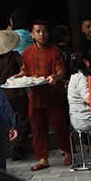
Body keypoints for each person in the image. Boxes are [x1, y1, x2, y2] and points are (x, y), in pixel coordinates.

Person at [19, 20, 74, 171]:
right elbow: (25, 71)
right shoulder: (27, 52)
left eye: (44, 31)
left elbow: (62, 72)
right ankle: (43, 158)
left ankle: (68, 151)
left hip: (53, 94)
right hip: (35, 96)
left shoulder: (55, 51)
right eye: (38, 31)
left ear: (48, 33)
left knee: (59, 125)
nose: (41, 34)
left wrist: (54, 77)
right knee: (37, 127)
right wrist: (17, 77)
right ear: (32, 34)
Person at [0, 29, 29, 159]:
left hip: (0, 94)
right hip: (16, 91)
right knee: (24, 119)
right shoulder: (14, 55)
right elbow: (25, 66)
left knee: (6, 121)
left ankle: (11, 144)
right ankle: (18, 145)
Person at [67, 52, 91, 134]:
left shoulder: (75, 75)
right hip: (84, 118)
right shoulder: (81, 77)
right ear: (86, 62)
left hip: (76, 117)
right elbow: (88, 99)